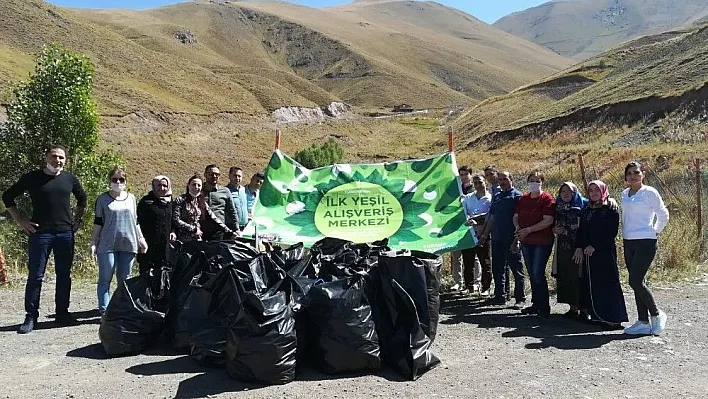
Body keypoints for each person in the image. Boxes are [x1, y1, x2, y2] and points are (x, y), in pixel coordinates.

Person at [2, 145, 87, 333]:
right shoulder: (32, 178)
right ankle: (31, 317)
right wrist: (21, 220)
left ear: (66, 160)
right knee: (36, 276)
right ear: (46, 157)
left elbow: (83, 198)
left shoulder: (69, 179)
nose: (57, 161)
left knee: (64, 275)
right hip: (40, 234)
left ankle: (62, 314)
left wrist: (77, 220)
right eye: (54, 156)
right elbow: (7, 196)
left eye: (61, 158)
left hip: (65, 233)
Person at [621, 161, 670, 336]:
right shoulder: (625, 194)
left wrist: (654, 231)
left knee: (634, 281)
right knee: (638, 283)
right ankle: (643, 321)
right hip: (629, 241)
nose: (633, 176)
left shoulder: (649, 192)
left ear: (643, 174)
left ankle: (657, 315)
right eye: (629, 173)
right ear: (626, 176)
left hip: (645, 241)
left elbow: (663, 214)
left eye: (636, 172)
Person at [90, 166, 147, 314]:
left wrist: (141, 238)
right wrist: (93, 242)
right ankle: (105, 311)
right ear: (109, 181)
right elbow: (98, 222)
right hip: (107, 244)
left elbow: (135, 221)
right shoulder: (102, 199)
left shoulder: (132, 198)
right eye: (114, 179)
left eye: (121, 179)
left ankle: (122, 309)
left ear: (126, 181)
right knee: (105, 279)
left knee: (125, 280)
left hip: (128, 244)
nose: (118, 182)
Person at [572, 180, 628, 329]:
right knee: (591, 284)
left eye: (597, 190)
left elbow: (611, 232)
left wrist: (594, 246)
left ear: (603, 191)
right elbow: (581, 231)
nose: (594, 193)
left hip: (604, 252)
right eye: (590, 190)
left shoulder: (610, 209)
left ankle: (613, 318)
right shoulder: (587, 209)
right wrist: (579, 247)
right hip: (588, 254)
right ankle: (596, 315)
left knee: (607, 284)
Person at [479, 171, 525, 307]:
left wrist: (517, 239)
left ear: (511, 179)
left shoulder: (518, 196)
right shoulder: (497, 196)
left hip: (511, 238)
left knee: (516, 269)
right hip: (497, 238)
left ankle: (520, 298)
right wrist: (484, 235)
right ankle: (500, 296)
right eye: (500, 179)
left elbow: (521, 219)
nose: (502, 181)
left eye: (505, 179)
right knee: (498, 269)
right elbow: (491, 217)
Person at [514, 171, 555, 316]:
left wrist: (529, 230)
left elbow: (548, 220)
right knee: (531, 273)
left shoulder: (546, 198)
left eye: (537, 181)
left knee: (538, 273)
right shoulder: (524, 198)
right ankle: (536, 304)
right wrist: (518, 228)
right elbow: (516, 216)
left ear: (542, 182)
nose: (534, 183)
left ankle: (544, 307)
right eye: (531, 180)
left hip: (542, 242)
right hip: (526, 241)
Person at [552, 182, 588, 319]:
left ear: (574, 192)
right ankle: (573, 309)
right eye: (563, 191)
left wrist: (580, 247)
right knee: (567, 276)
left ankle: (584, 310)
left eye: (569, 191)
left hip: (579, 246)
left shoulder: (583, 205)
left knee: (580, 276)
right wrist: (553, 229)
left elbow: (585, 228)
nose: (566, 194)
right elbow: (552, 223)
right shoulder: (558, 206)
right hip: (563, 247)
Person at [172, 174, 237, 243]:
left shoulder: (201, 201)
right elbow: (176, 220)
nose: (196, 187)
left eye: (199, 185)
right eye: (194, 184)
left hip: (198, 239)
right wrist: (193, 229)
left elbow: (213, 218)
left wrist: (230, 232)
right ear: (188, 186)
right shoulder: (180, 200)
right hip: (182, 240)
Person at [461, 174, 493, 295]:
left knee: (485, 262)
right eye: (475, 183)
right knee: (468, 262)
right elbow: (463, 213)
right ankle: (469, 286)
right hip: (468, 234)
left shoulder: (490, 199)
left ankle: (485, 287)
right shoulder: (468, 197)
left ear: (485, 182)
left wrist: (478, 220)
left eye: (480, 182)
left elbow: (489, 216)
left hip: (483, 234)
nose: (478, 185)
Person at [137, 175, 174, 276]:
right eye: (158, 185)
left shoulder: (170, 202)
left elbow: (173, 221)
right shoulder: (146, 202)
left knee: (163, 276)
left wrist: (173, 232)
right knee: (146, 276)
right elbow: (137, 222)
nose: (162, 188)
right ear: (153, 186)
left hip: (164, 247)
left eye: (164, 186)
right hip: (148, 246)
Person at [450, 165, 474, 293]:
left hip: (471, 226)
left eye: (466, 174)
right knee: (456, 255)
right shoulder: (456, 189)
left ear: (470, 174)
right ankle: (457, 282)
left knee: (473, 257)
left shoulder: (475, 189)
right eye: (462, 175)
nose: (464, 177)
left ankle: (475, 282)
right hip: (457, 226)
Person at [202, 164, 240, 240]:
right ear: (205, 175)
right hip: (201, 231)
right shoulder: (198, 190)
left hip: (219, 232)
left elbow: (232, 211)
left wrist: (236, 229)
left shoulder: (225, 191)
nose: (214, 176)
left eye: (217, 174)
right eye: (211, 174)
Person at [227, 166, 249, 231]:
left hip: (245, 227)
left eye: (239, 176)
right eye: (235, 175)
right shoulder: (225, 191)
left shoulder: (244, 190)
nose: (237, 178)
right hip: (232, 229)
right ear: (229, 176)